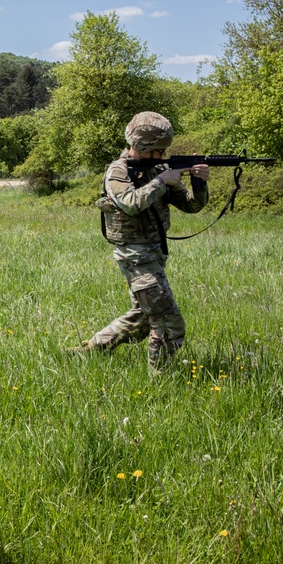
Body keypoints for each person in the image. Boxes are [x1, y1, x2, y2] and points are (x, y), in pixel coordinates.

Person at [75, 111, 210, 374]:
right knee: (169, 323)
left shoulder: (159, 168)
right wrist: (161, 182)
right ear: (141, 146)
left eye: (164, 150)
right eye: (158, 150)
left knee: (143, 317)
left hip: (154, 252)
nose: (162, 155)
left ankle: (91, 350)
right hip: (135, 255)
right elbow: (129, 204)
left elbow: (192, 206)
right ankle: (160, 382)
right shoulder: (118, 170)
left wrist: (198, 182)